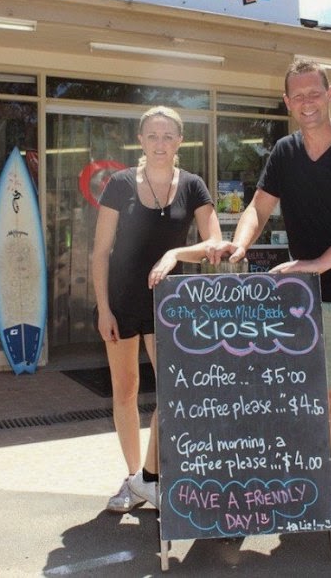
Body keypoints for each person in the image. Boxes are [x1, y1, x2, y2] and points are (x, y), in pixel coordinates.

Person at [208, 59, 331, 555]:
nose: (306, 103)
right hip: (311, 303)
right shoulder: (284, 152)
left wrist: (318, 263)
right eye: (296, 96)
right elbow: (258, 207)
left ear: (330, 92)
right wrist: (241, 243)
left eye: (313, 93)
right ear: (287, 103)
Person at [92, 105, 221, 513]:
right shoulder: (120, 184)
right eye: (152, 136)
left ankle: (152, 474)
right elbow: (99, 252)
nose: (160, 143)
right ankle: (135, 479)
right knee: (126, 390)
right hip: (123, 300)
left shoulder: (193, 187)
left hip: (170, 306)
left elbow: (214, 244)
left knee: (174, 391)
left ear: (180, 141)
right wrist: (102, 309)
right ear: (141, 140)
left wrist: (175, 252)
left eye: (168, 136)